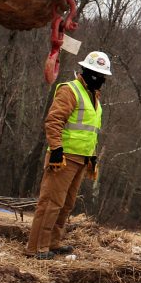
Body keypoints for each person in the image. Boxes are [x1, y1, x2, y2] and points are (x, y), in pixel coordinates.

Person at [25, 50, 111, 260]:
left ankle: (53, 243)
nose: (102, 80)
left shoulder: (94, 98)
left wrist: (91, 157)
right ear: (88, 73)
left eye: (104, 76)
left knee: (66, 205)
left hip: (81, 160)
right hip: (64, 158)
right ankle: (38, 247)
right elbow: (54, 122)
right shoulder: (70, 90)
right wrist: (56, 149)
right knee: (50, 204)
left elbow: (90, 132)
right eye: (99, 75)